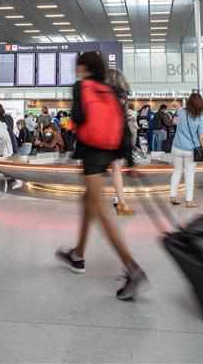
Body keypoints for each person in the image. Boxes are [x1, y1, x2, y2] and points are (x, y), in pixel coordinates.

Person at [56, 52, 147, 301]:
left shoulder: (81, 86)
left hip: (92, 152)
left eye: (78, 67)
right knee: (88, 200)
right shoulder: (108, 89)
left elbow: (78, 117)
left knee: (99, 208)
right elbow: (123, 128)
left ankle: (132, 267)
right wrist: (129, 160)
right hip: (110, 150)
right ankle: (77, 254)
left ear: (83, 68)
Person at [105, 68, 135, 216]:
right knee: (117, 169)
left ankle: (96, 202)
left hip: (102, 136)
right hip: (116, 136)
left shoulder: (102, 94)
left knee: (96, 171)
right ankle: (121, 202)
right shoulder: (122, 96)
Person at [169, 92, 203, 208]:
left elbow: (174, 122)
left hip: (176, 147)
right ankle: (189, 201)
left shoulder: (181, 113)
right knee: (189, 174)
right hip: (191, 150)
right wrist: (202, 148)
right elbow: (202, 136)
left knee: (176, 172)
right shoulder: (200, 117)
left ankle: (173, 196)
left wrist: (176, 105)